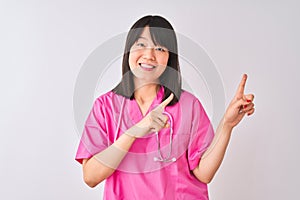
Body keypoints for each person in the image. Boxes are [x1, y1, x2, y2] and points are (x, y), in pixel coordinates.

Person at [75, 15, 255, 200]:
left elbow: (204, 173)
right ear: (129, 50)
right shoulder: (105, 107)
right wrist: (134, 131)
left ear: (169, 57)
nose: (149, 55)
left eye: (160, 48)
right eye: (141, 44)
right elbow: (90, 177)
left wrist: (227, 125)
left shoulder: (188, 105)